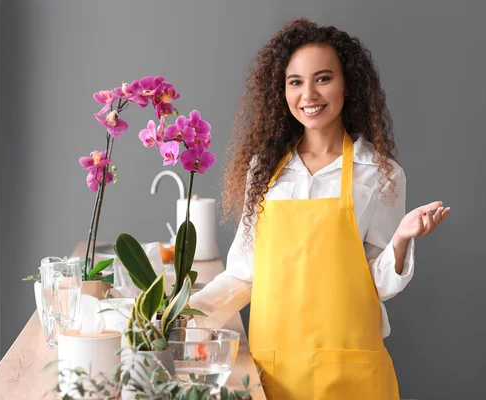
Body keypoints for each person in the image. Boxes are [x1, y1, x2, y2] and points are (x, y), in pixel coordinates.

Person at [188, 18, 450, 399]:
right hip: (275, 368)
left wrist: (401, 238)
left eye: (323, 78)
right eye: (295, 82)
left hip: (351, 373)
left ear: (348, 84)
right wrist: (183, 315)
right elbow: (244, 275)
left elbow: (378, 285)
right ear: (282, 90)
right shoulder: (264, 171)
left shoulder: (379, 174)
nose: (308, 94)